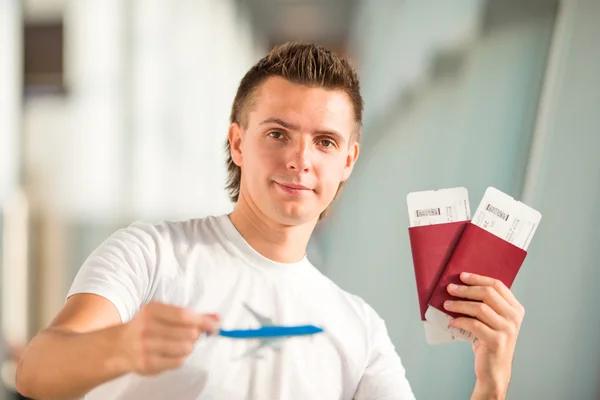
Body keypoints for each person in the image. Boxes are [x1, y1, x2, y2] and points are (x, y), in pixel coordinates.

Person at [15, 41, 524, 400]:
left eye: (324, 142)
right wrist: (120, 347)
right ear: (238, 142)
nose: (301, 160)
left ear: (348, 160)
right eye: (278, 133)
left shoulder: (359, 329)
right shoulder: (150, 254)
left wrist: (491, 383)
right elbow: (36, 372)